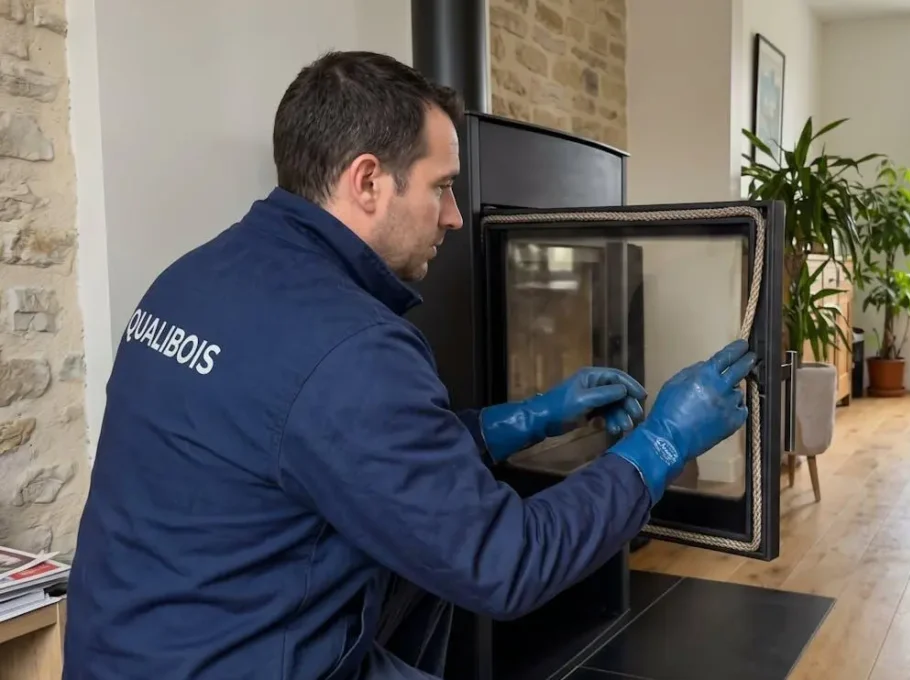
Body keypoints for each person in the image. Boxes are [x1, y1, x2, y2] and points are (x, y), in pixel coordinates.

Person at [61, 50, 757, 680]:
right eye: (443, 186)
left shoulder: (193, 277)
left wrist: (530, 418)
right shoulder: (349, 344)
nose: (454, 216)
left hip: (130, 650)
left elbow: (359, 453)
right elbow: (506, 562)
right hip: (239, 660)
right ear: (368, 181)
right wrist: (661, 443)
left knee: (424, 563)